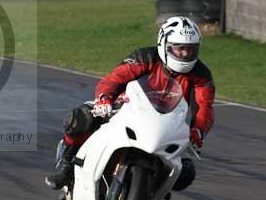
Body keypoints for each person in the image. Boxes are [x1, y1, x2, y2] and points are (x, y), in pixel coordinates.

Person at [45, 16, 215, 191]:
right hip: (126, 110)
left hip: (165, 125)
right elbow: (115, 79)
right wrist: (104, 99)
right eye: (180, 49)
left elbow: (205, 107)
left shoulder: (202, 75)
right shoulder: (145, 57)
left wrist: (197, 131)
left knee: (186, 172)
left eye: (191, 49)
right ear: (165, 45)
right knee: (80, 118)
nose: (186, 54)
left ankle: (146, 193)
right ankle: (65, 168)